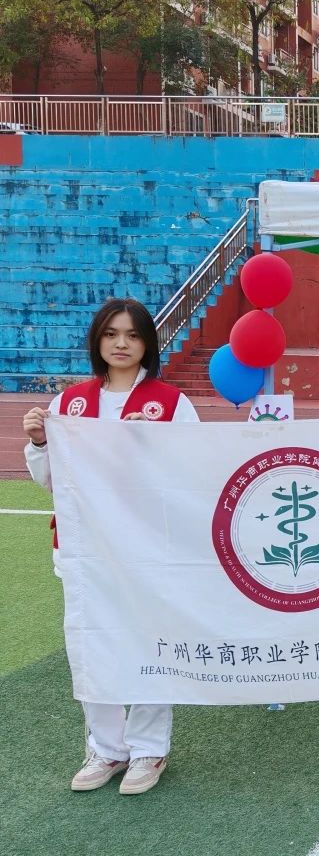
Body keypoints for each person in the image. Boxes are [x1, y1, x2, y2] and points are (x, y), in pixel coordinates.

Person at [22, 297, 199, 796]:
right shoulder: (69, 404)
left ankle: (148, 748)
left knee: (150, 641)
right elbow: (53, 482)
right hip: (83, 547)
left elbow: (194, 474)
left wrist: (152, 446)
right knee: (90, 641)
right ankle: (106, 747)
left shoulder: (170, 404)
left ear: (148, 343)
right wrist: (39, 443)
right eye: (111, 334)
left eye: (133, 335)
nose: (121, 344)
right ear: (97, 340)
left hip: (147, 549)